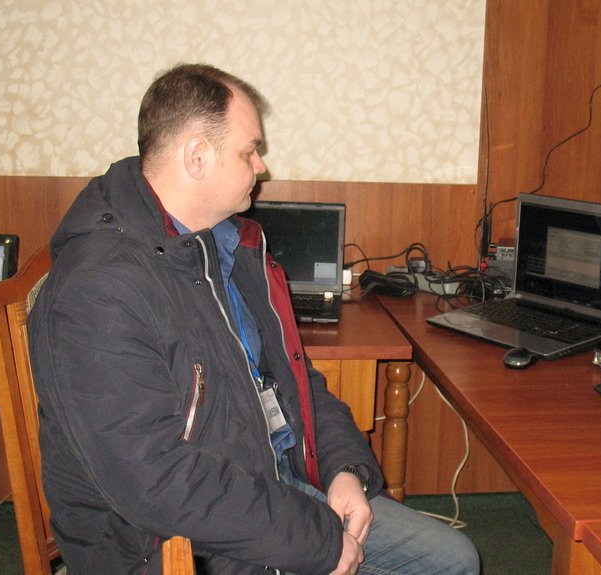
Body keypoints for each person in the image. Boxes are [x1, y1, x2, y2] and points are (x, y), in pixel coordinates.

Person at [28, 63, 480, 575]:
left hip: (266, 484)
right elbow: (153, 480)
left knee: (454, 560)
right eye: (249, 151)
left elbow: (293, 379)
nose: (261, 166)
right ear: (197, 156)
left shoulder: (224, 246)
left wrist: (345, 470)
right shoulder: (97, 289)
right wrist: (317, 541)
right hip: (177, 543)